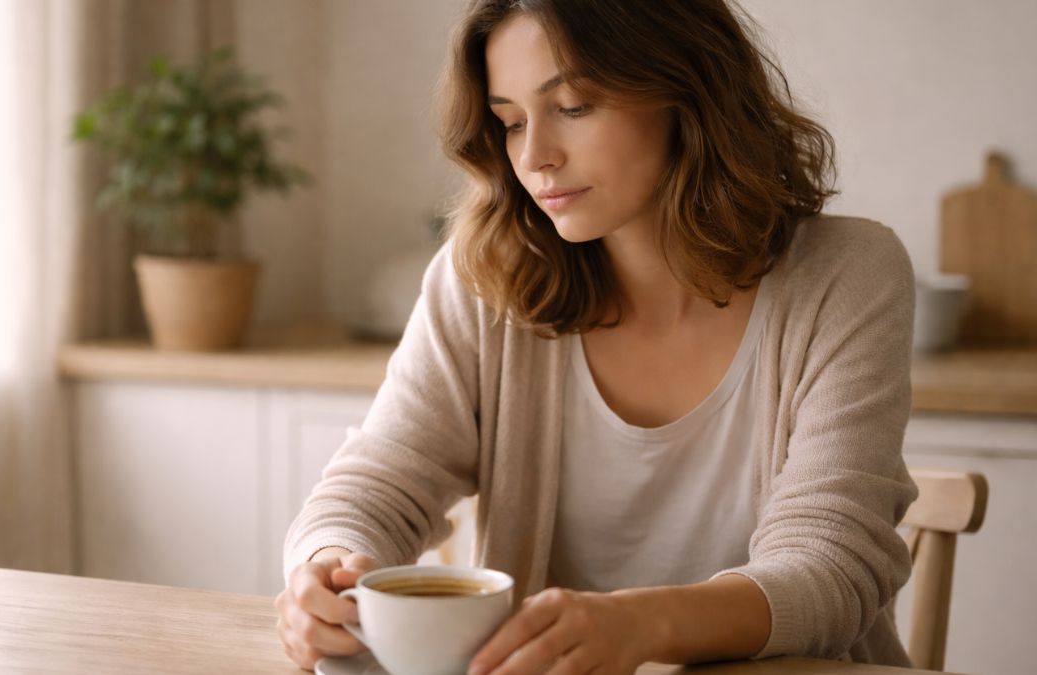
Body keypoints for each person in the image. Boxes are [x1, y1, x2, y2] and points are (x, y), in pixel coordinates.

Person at [276, 1, 919, 673]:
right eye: (511, 122)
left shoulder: (847, 274)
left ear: (687, 89)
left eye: (573, 107)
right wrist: (324, 570)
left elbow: (829, 564)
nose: (535, 157)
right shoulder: (486, 278)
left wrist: (641, 625)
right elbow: (380, 480)